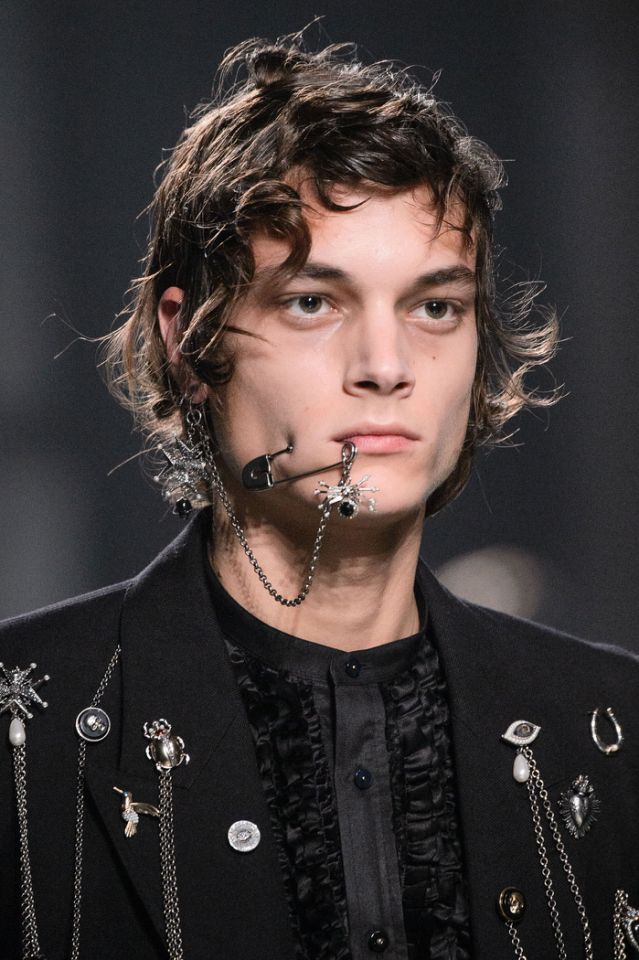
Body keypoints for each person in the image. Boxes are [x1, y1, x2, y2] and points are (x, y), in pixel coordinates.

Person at [1, 32, 638, 960]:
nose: (385, 366)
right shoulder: (25, 718)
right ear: (187, 343)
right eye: (312, 302)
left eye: (434, 307)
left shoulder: (613, 727)